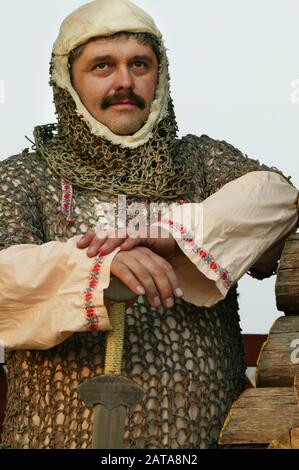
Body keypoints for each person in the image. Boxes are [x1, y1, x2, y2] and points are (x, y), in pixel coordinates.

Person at [0, 0, 298, 449]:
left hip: (197, 439)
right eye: (102, 66)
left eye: (139, 64)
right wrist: (97, 268)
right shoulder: (25, 177)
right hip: (56, 437)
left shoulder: (200, 163)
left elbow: (276, 197)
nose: (125, 82)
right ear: (67, 81)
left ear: (159, 76)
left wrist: (176, 235)